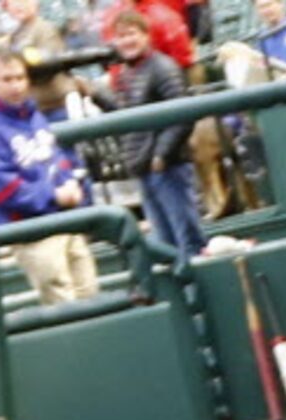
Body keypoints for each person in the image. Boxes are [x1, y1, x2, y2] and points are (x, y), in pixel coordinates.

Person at [0, 47, 99, 306]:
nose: (16, 86)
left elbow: (57, 157)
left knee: (90, 294)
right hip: (33, 232)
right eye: (7, 79)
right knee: (63, 305)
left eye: (20, 78)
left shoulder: (32, 114)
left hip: (65, 219)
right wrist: (54, 194)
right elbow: (1, 187)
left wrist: (70, 182)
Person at [98, 9, 202, 259]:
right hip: (144, 167)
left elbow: (184, 113)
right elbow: (126, 114)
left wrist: (161, 154)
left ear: (146, 36)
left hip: (168, 166)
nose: (126, 41)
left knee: (187, 238)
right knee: (165, 244)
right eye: (120, 36)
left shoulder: (163, 67)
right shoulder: (126, 72)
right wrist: (96, 94)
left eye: (131, 34)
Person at [250, 0, 286, 72]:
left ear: (281, 4)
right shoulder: (262, 41)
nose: (266, 11)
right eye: (261, 7)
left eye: (268, 5)